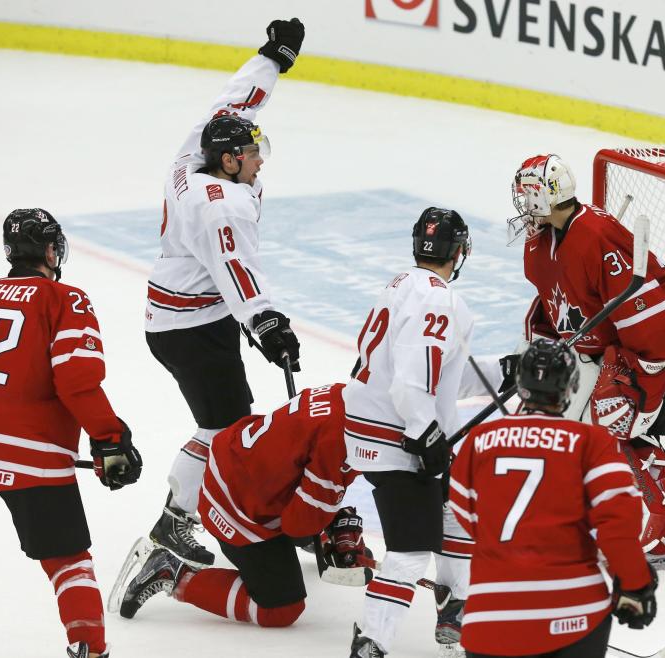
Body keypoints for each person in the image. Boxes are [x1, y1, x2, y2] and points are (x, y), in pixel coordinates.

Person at [0, 209, 142, 658]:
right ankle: (88, 647)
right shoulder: (66, 298)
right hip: (28, 455)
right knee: (67, 559)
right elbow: (76, 380)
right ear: (49, 249)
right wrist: (109, 436)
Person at [143, 18, 305, 567]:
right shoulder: (221, 207)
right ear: (230, 161)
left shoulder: (194, 157)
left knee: (232, 419)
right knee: (225, 428)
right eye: (253, 153)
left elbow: (233, 104)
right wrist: (265, 323)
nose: (261, 158)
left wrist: (272, 61)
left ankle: (204, 508)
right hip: (189, 328)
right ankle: (175, 519)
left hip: (188, 314)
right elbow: (236, 269)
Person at [509, 153, 665, 561]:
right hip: (602, 343)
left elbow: (644, 314)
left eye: (527, 196)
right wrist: (538, 346)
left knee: (625, 425)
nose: (523, 206)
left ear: (544, 197)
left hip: (661, 339)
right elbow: (553, 298)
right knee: (558, 421)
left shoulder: (597, 236)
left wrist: (642, 384)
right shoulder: (542, 241)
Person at [344, 207, 503, 658]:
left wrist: (503, 370)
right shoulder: (440, 299)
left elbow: (438, 373)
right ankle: (371, 643)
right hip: (395, 434)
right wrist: (425, 433)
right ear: (459, 251)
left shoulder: (403, 285)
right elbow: (413, 380)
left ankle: (455, 607)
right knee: (411, 551)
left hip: (374, 423)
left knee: (458, 505)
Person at [450, 338, 657, 658]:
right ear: (571, 387)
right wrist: (635, 583)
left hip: (488, 621)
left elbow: (465, 512)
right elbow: (617, 524)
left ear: (520, 382)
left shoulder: (478, 440)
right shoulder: (590, 441)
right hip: (572, 615)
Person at [111, 383, 371, 629]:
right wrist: (329, 516)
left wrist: (331, 516)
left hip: (234, 462)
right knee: (282, 608)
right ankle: (171, 572)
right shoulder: (342, 439)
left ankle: (321, 534)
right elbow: (297, 523)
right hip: (237, 508)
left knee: (311, 511)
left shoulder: (344, 394)